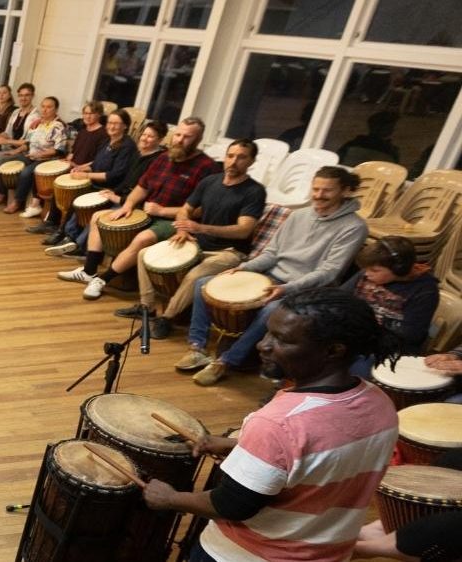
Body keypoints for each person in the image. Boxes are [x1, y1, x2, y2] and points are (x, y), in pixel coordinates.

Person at [143, 288, 400, 562]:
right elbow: (317, 459)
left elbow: (231, 504)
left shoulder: (279, 423)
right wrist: (237, 445)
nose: (262, 345)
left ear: (333, 350)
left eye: (282, 340)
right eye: (267, 332)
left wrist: (170, 498)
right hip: (329, 553)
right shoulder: (380, 404)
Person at [176, 166, 369, 386]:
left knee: (271, 309)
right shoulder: (299, 215)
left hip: (306, 289)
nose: (318, 195)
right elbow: (272, 253)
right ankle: (197, 347)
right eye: (315, 189)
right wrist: (245, 268)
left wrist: (286, 289)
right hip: (270, 276)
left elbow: (329, 272)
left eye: (327, 190)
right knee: (204, 284)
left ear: (345, 191)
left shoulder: (354, 227)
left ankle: (226, 361)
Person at [111, 139, 264, 333]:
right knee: (144, 254)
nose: (233, 162)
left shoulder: (254, 191)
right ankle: (146, 307)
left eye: (241, 158)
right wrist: (183, 229)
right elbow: (185, 210)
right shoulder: (210, 182)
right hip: (197, 243)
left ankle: (167, 317)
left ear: (251, 161)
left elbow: (244, 230)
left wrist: (201, 228)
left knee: (194, 276)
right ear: (225, 158)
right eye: (230, 156)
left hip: (229, 252)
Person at [58, 117, 217, 298]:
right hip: (146, 210)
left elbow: (202, 210)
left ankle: (102, 279)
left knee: (142, 239)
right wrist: (128, 205)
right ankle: (89, 271)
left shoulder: (207, 167)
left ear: (198, 139)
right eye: (178, 134)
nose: (179, 140)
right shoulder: (164, 157)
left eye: (187, 137)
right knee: (97, 217)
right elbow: (142, 186)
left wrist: (162, 211)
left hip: (175, 221)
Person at [46, 115, 150, 258]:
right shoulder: (108, 140)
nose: (111, 126)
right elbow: (96, 163)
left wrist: (86, 176)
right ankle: (66, 235)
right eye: (110, 123)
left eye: (116, 123)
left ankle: (78, 244)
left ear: (125, 126)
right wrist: (81, 168)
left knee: (83, 200)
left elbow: (114, 175)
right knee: (75, 197)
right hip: (98, 182)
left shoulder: (127, 146)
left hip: (111, 187)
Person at [344, 236, 440, 376]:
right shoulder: (369, 273)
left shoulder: (425, 290)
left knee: (353, 368)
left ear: (399, 269)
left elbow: (411, 335)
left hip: (391, 347)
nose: (366, 274)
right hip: (357, 335)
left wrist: (361, 330)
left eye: (374, 270)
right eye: (366, 269)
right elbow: (339, 297)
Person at [30, 100, 108, 238]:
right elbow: (74, 151)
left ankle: (60, 227)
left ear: (99, 115)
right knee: (54, 182)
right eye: (85, 113)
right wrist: (68, 160)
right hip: (74, 167)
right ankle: (51, 222)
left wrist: (80, 168)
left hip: (86, 171)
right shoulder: (83, 131)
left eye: (91, 113)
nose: (87, 116)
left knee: (62, 185)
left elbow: (99, 160)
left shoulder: (103, 134)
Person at [0, 96, 66, 216]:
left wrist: (40, 154)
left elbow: (59, 150)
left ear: (56, 109)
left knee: (26, 172)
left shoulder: (58, 126)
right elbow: (28, 143)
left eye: (49, 107)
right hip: (30, 155)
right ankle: (1, 194)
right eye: (43, 106)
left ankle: (17, 202)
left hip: (46, 160)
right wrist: (15, 152)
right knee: (5, 161)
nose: (45, 110)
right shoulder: (39, 124)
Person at [0, 83, 36, 205]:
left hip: (24, 152)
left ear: (32, 96)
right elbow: (7, 132)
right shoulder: (16, 113)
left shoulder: (35, 116)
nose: (23, 98)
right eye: (21, 95)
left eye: (27, 95)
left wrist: (6, 141)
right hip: (11, 147)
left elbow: (28, 142)